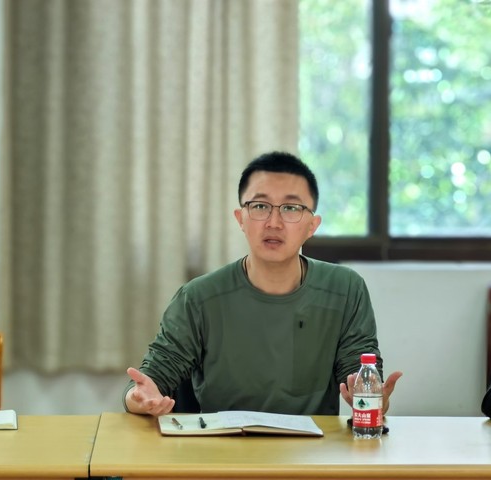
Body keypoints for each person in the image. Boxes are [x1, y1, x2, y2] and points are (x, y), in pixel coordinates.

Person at [123, 151, 402, 416]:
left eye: (291, 208)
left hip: (311, 448)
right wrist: (140, 399)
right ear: (240, 218)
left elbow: (361, 374)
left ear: (312, 225)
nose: (274, 222)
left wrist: (371, 396)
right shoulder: (198, 297)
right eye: (260, 206)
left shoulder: (345, 289)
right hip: (220, 447)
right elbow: (151, 380)